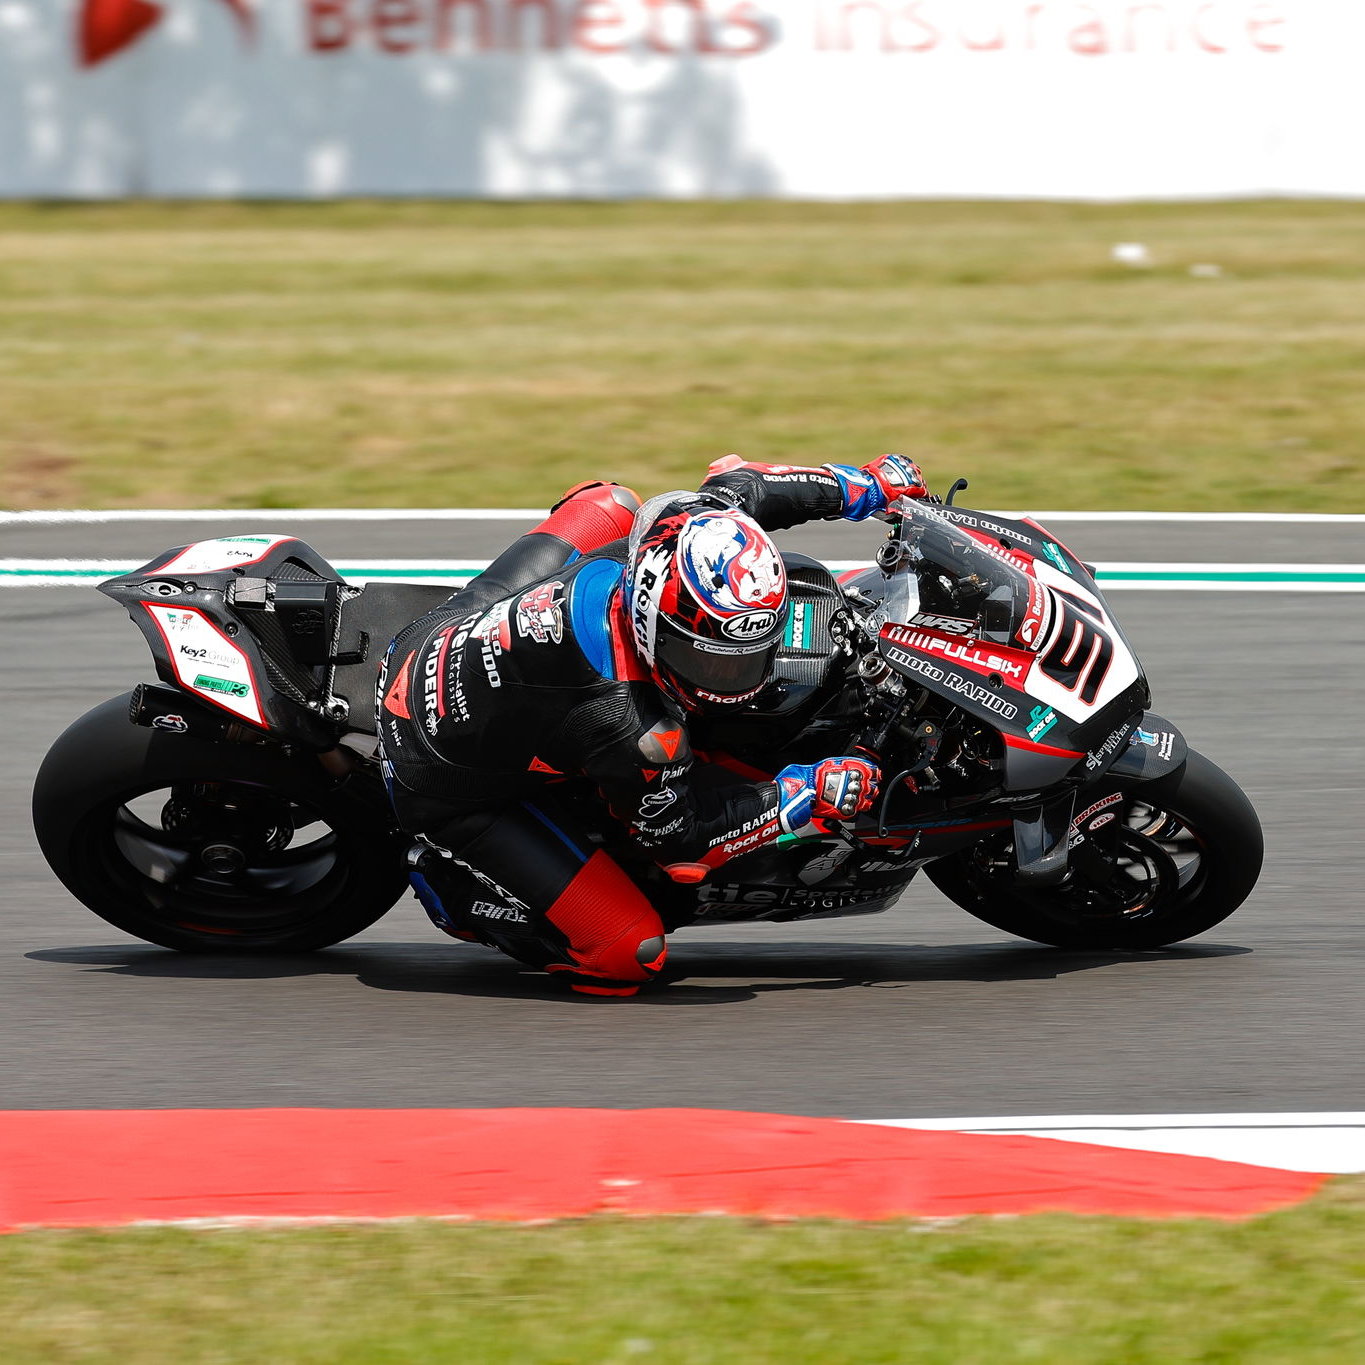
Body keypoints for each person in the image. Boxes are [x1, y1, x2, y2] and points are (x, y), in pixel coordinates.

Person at [378, 453, 932, 996]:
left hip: (451, 628)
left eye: (749, 654)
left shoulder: (682, 528)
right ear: (653, 623)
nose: (743, 677)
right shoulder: (628, 724)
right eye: (715, 661)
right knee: (628, 954)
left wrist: (870, 485)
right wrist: (806, 792)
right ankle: (451, 886)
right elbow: (687, 842)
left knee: (611, 503)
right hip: (439, 775)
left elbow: (752, 485)